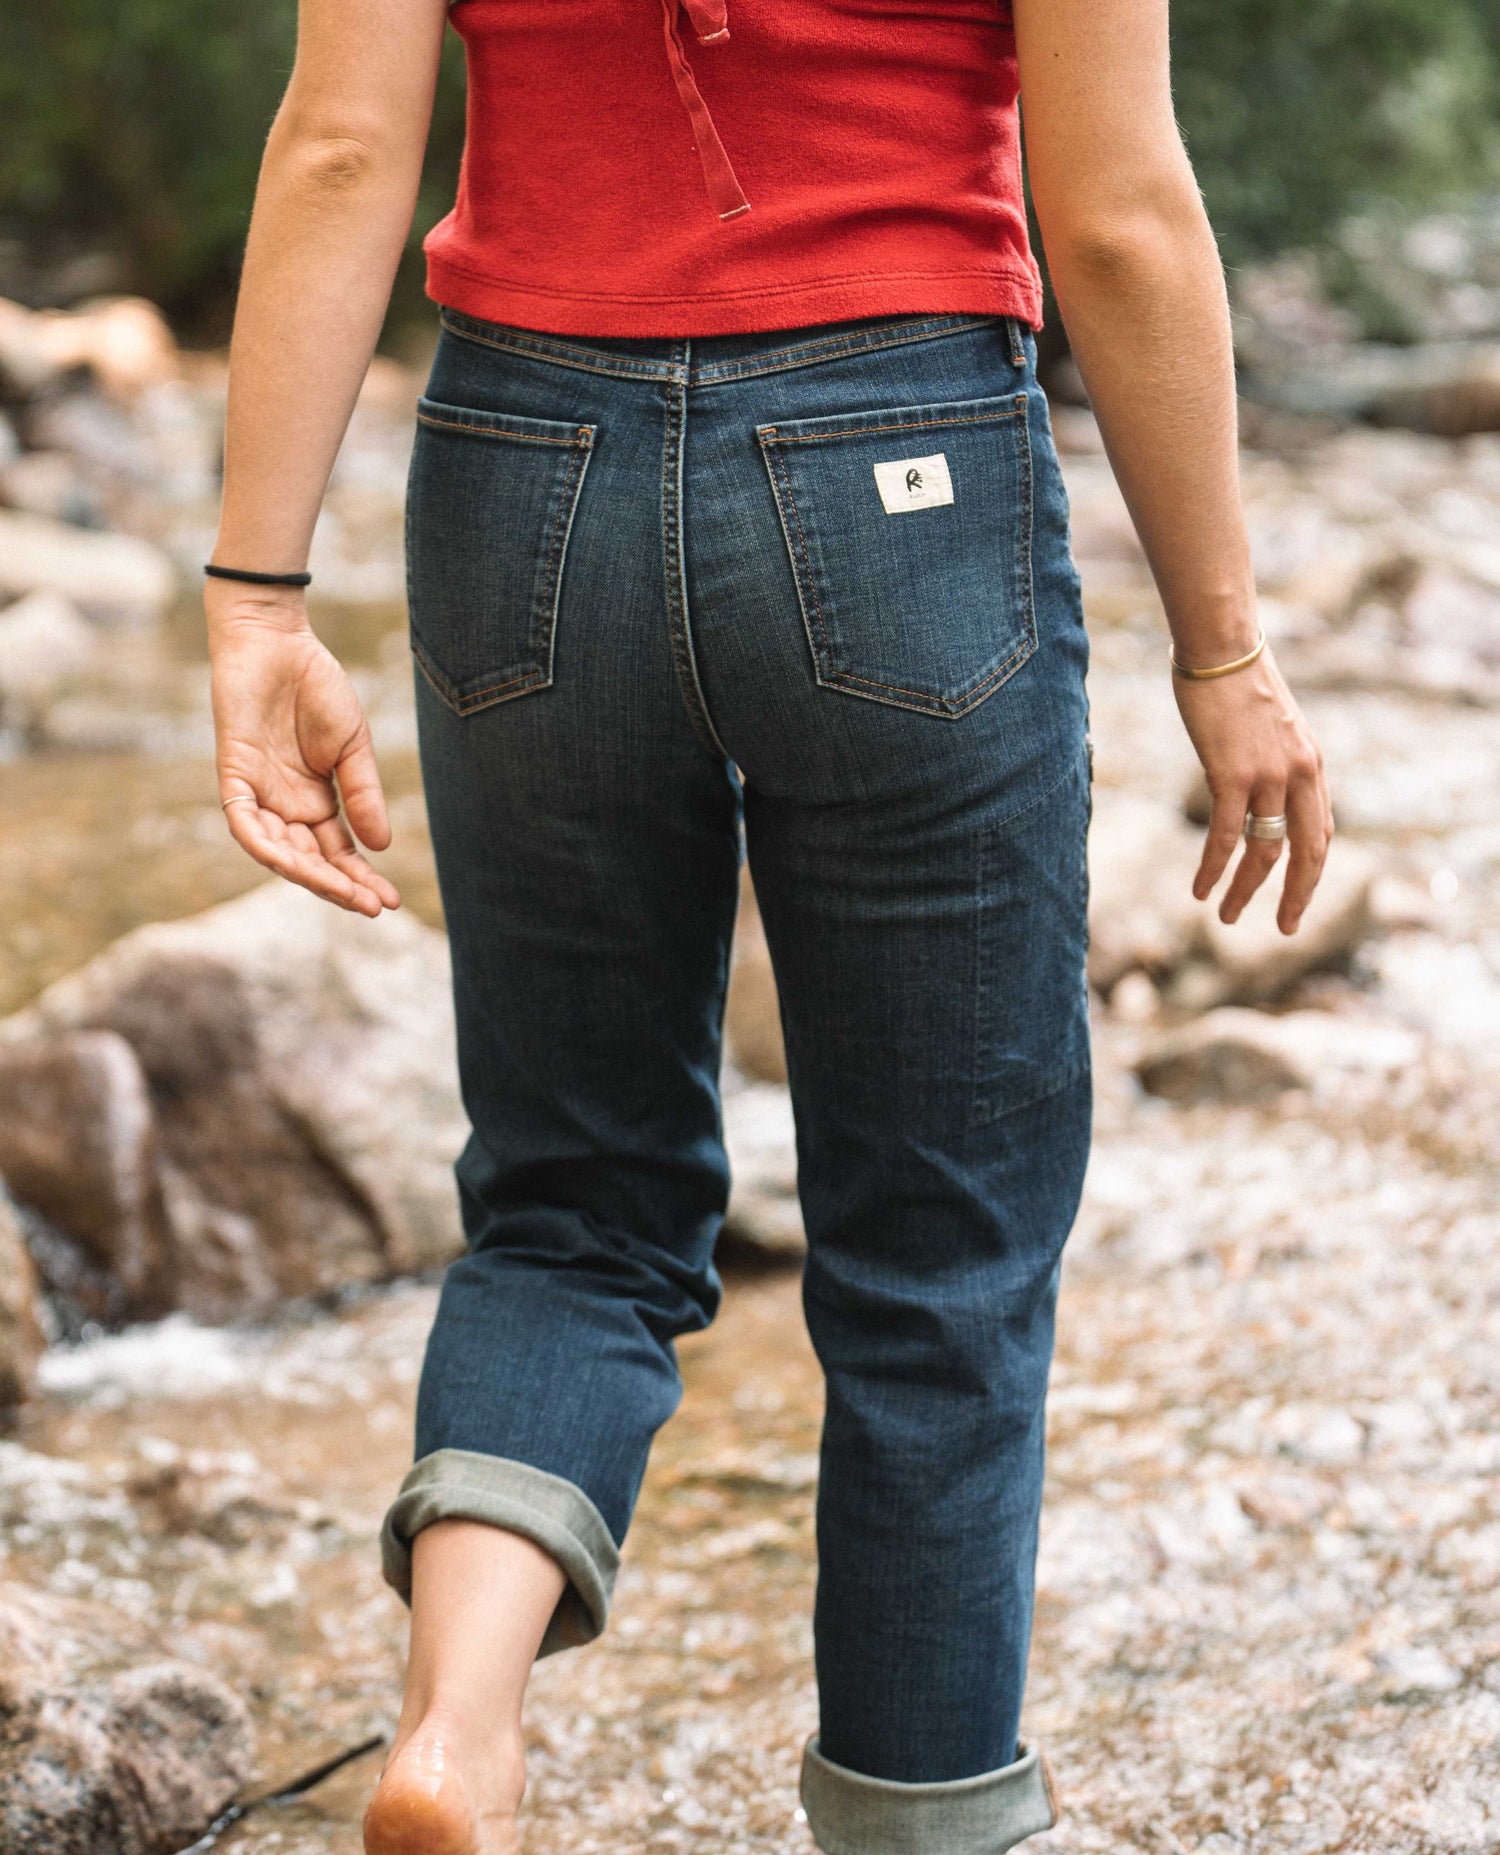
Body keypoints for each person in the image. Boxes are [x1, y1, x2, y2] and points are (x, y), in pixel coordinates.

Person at [204, 1, 1333, 1850]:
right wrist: (1225, 647)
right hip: (905, 462)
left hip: (519, 460)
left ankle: (455, 1734)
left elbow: (341, 145)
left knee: (569, 1199)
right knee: (940, 1260)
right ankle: (922, 1824)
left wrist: (255, 601)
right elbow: (1115, 209)